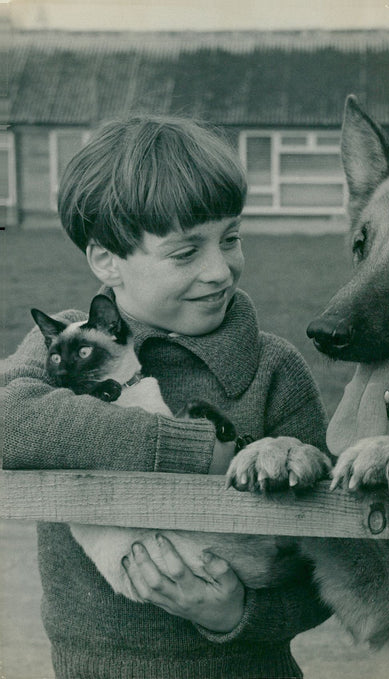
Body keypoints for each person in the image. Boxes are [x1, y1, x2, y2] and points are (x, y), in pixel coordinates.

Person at [1, 115, 331, 678]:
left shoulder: (275, 369)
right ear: (107, 260)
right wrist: (188, 450)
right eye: (185, 253)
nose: (220, 270)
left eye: (231, 238)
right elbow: (10, 424)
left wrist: (237, 614)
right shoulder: (58, 344)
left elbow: (334, 568)